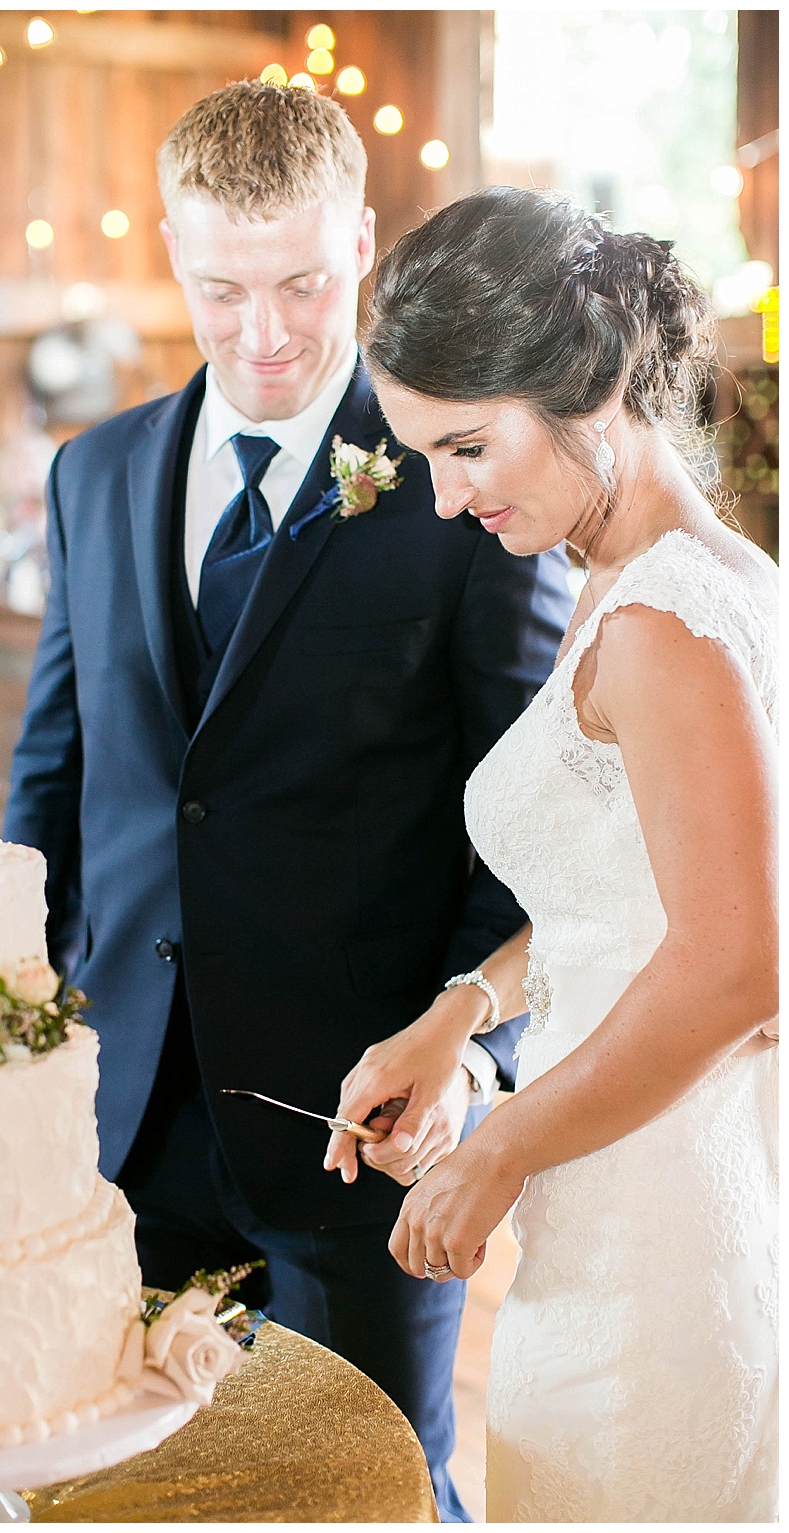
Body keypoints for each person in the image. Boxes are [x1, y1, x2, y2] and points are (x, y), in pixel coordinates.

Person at [0, 82, 572, 1521]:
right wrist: (15, 1031)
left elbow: (536, 817)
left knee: (361, 1494)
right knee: (115, 1488)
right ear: (174, 259)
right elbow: (58, 781)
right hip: (113, 1128)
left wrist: (470, 1050)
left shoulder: (471, 481)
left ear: (364, 247)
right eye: (223, 290)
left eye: (306, 285)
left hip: (354, 1133)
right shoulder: (95, 474)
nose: (266, 334)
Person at [335, 187, 776, 1521]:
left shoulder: (663, 622)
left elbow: (743, 962)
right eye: (424, 458)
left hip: (652, 1253)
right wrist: (464, 1012)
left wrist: (500, 1143)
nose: (448, 497)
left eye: (467, 448)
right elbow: (638, 889)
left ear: (589, 386)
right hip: (631, 1212)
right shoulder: (660, 576)